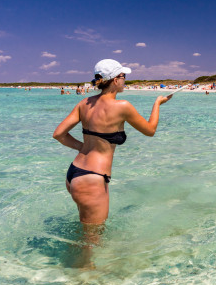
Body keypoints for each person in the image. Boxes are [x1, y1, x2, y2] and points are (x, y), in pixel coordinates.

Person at [53, 59, 173, 231]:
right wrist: (157, 104)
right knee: (91, 244)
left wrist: (83, 148)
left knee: (87, 235)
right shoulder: (122, 106)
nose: (125, 80)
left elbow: (58, 134)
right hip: (92, 178)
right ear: (115, 80)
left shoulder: (84, 103)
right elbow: (150, 130)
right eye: (123, 76)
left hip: (74, 172)